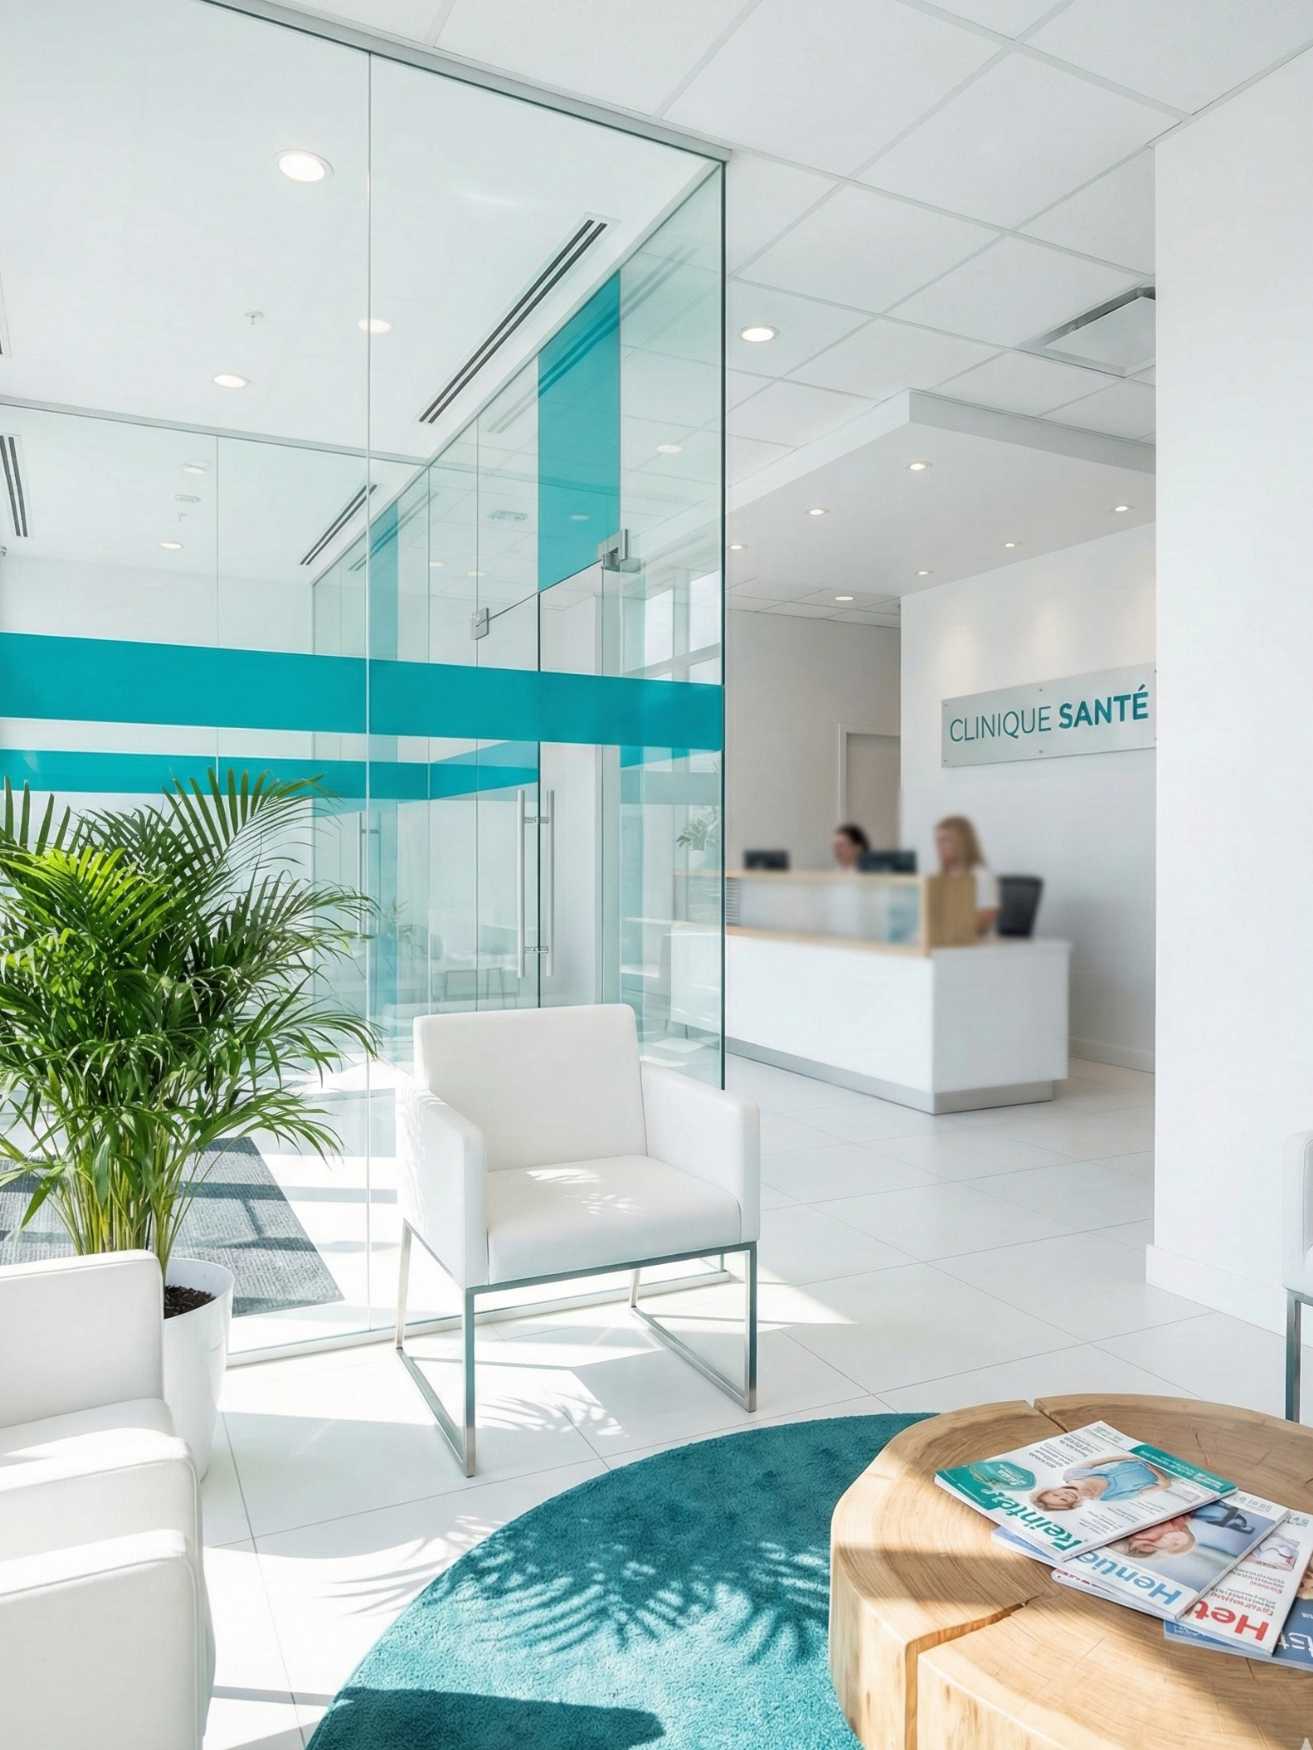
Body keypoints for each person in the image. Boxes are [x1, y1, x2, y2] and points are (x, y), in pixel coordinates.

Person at [935, 814, 1000, 937]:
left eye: (945, 840)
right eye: (938, 841)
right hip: (945, 941)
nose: (939, 846)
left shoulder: (981, 876)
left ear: (962, 843)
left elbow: (985, 921)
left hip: (976, 943)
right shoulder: (940, 877)